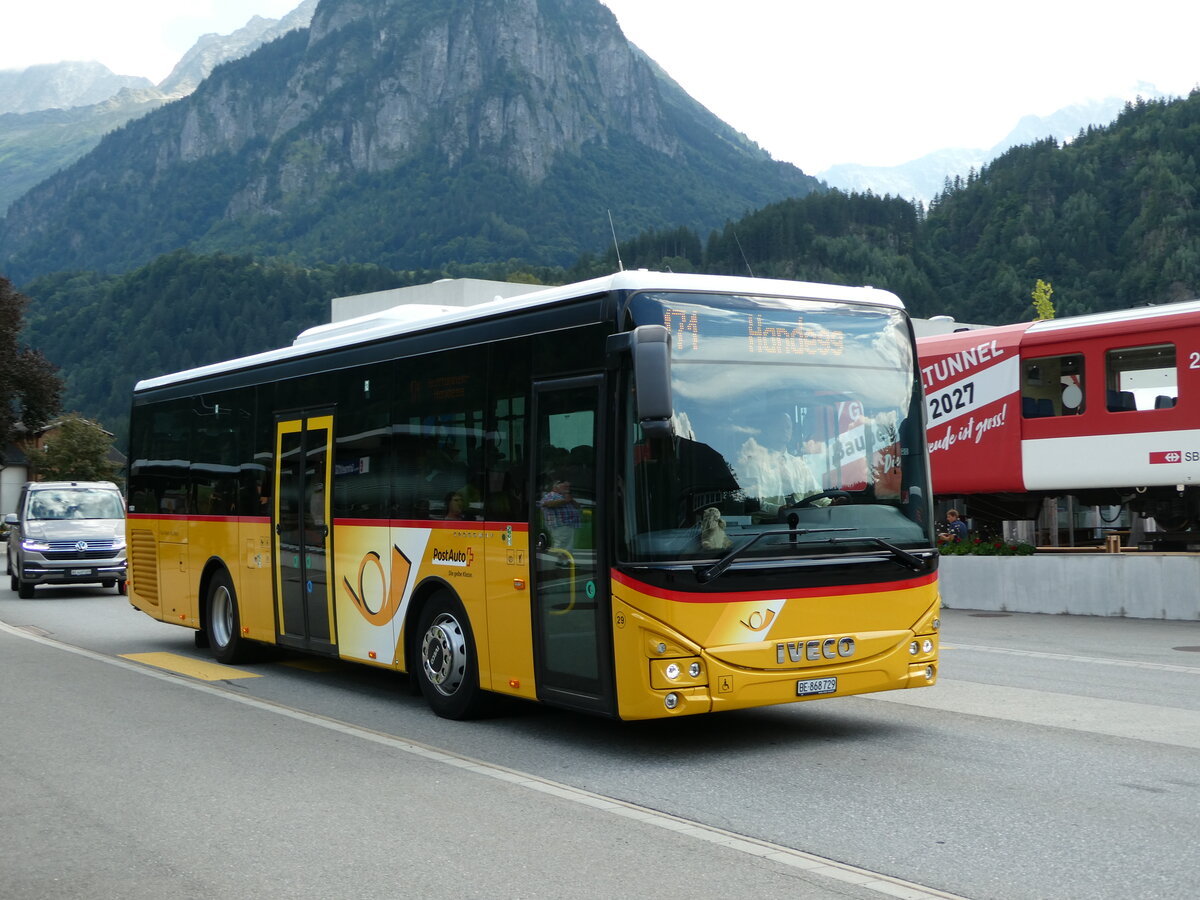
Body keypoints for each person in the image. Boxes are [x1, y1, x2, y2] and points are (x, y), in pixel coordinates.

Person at [539, 476, 582, 552]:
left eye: (568, 486)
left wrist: (571, 500)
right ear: (556, 487)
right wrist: (565, 501)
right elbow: (546, 504)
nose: (567, 488)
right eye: (565, 486)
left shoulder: (565, 496)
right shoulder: (552, 495)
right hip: (560, 526)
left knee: (568, 546)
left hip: (570, 525)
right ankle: (560, 561)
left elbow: (578, 506)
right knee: (561, 545)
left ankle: (565, 562)